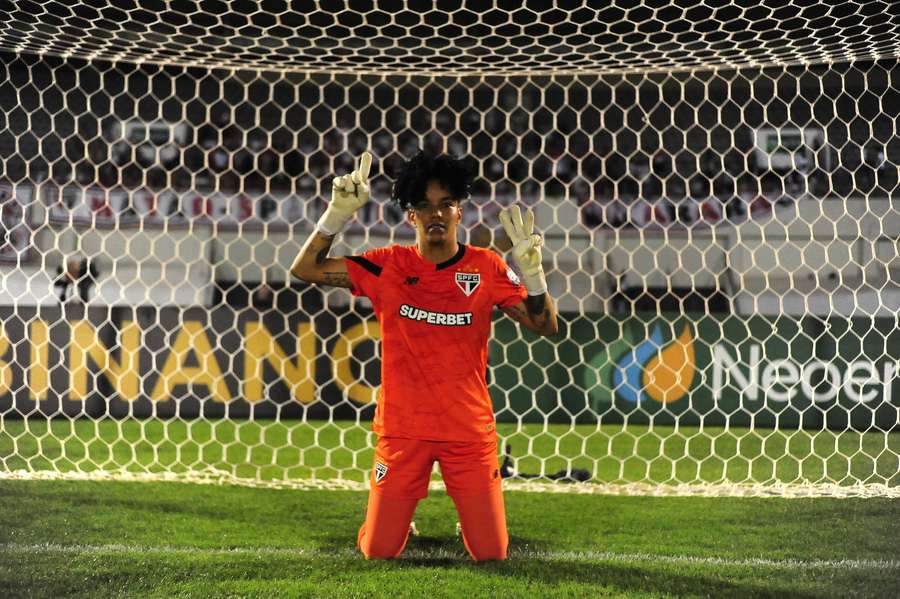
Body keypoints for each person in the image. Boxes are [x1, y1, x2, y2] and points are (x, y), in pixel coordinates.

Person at [291, 150, 557, 561]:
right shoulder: (386, 266)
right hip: (403, 430)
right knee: (378, 551)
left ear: (459, 212)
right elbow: (305, 269)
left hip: (468, 432)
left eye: (445, 204)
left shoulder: (485, 267)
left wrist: (533, 276)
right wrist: (335, 215)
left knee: (491, 553)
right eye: (423, 206)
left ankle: (472, 519)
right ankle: (397, 521)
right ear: (411, 216)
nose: (436, 214)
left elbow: (545, 326)